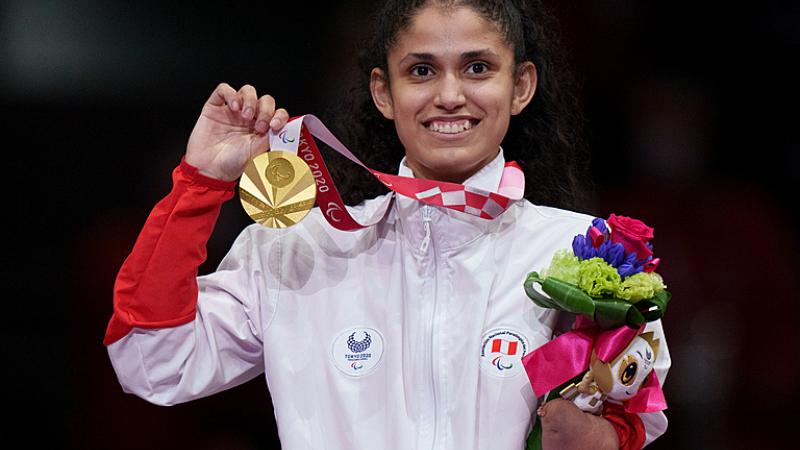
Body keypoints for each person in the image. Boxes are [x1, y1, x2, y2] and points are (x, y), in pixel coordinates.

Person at [104, 1, 669, 449]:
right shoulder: (296, 252)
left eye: (478, 67)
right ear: (384, 91)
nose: (450, 96)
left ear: (520, 85)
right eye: (421, 70)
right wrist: (200, 183)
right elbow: (154, 361)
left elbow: (631, 424)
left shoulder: (590, 257)